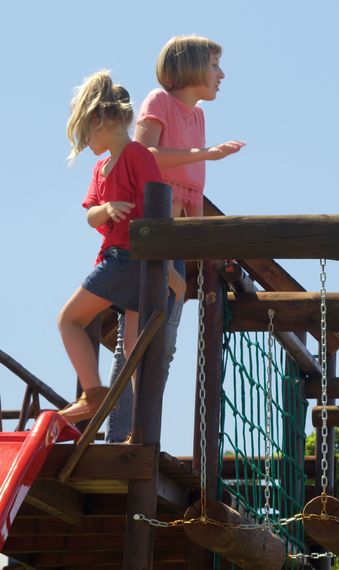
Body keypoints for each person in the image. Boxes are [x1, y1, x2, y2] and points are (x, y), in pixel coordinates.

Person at [106, 35, 244, 442]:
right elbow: (143, 155)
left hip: (176, 245)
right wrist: (205, 154)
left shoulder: (198, 117)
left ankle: (143, 436)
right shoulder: (158, 102)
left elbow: (193, 190)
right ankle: (119, 436)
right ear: (193, 66)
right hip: (149, 242)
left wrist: (197, 247)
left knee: (164, 347)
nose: (221, 74)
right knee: (134, 339)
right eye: (215, 65)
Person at [58, 70, 181, 424]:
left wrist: (169, 267)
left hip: (127, 259)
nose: (86, 143)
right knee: (132, 351)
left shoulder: (136, 155)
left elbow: (158, 207)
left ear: (100, 120)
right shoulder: (101, 168)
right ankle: (140, 425)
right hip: (127, 261)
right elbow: (91, 217)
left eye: (85, 133)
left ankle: (94, 394)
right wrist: (107, 209)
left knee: (69, 320)